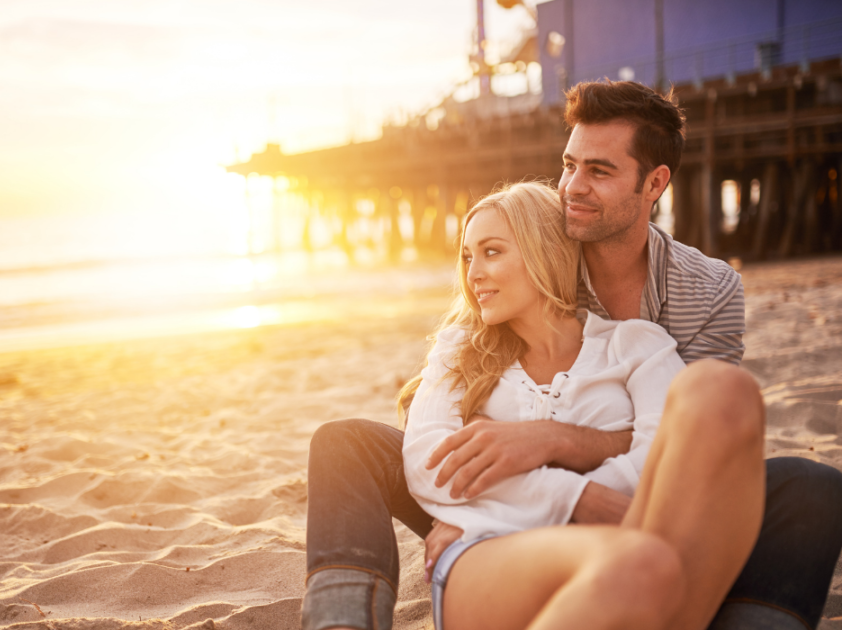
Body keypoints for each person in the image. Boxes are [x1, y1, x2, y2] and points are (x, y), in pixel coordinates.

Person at [302, 81, 842, 630]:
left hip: (632, 498)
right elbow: (437, 424)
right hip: (494, 489)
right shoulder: (524, 266)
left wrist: (553, 442)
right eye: (568, 165)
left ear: (654, 183)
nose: (572, 189)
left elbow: (700, 442)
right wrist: (477, 508)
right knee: (347, 443)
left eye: (599, 171)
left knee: (810, 487)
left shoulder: (699, 297)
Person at [401, 180, 764, 630]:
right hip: (493, 551)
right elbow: (428, 462)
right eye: (467, 256)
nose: (472, 272)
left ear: (544, 251)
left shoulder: (635, 344)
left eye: (491, 252)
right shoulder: (460, 349)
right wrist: (576, 498)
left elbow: (664, 455)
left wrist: (554, 476)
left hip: (629, 537)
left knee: (723, 389)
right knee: (641, 562)